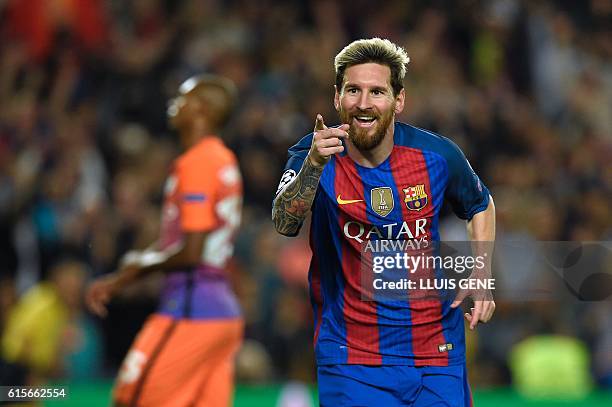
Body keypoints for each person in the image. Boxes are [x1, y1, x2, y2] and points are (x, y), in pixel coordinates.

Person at [272, 38, 496, 406]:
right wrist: (311, 168)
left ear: (399, 100)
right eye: (353, 90)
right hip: (352, 356)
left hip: (436, 352)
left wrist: (481, 273)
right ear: (336, 97)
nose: (363, 103)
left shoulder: (436, 155)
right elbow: (284, 222)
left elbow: (480, 203)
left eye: (377, 91)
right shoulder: (314, 154)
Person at [86, 74, 243, 407]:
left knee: (131, 398)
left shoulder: (197, 162)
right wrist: (122, 278)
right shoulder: (223, 159)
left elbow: (192, 251)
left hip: (190, 310)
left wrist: (140, 265)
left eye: (183, 98)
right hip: (221, 313)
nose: (175, 103)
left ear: (201, 110)